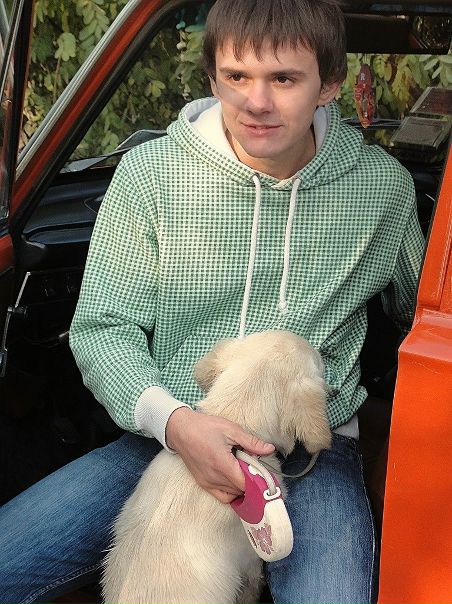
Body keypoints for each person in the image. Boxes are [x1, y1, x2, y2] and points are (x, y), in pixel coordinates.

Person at [0, 0, 424, 602]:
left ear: (329, 84)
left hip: (312, 451)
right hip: (171, 434)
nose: (257, 101)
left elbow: (422, 310)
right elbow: (103, 328)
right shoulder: (151, 175)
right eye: (237, 76)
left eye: (284, 78)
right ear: (212, 78)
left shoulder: (382, 188)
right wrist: (178, 426)